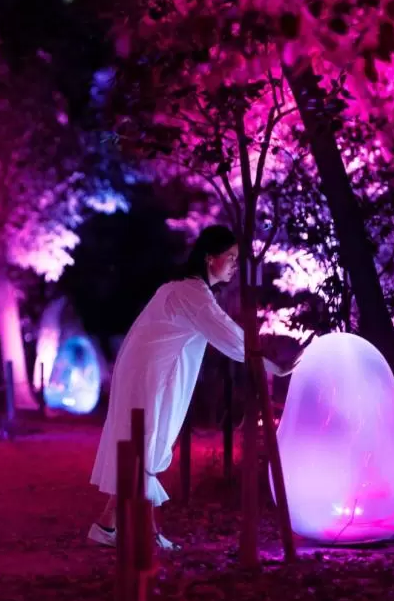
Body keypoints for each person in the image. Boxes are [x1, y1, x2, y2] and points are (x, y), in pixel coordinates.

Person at [87, 225, 294, 550]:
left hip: (146, 372)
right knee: (144, 443)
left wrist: (265, 360)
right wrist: (269, 362)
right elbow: (228, 335)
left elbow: (223, 332)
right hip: (146, 376)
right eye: (231, 258)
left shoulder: (184, 289)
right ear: (210, 259)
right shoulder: (192, 294)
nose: (234, 265)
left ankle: (107, 526)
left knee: (142, 444)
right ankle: (146, 534)